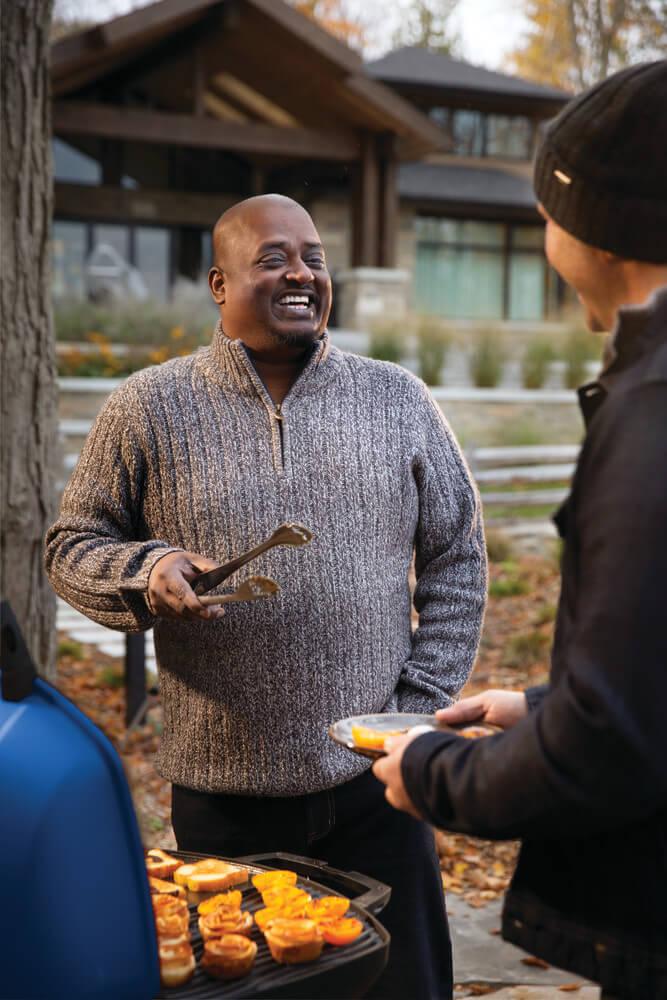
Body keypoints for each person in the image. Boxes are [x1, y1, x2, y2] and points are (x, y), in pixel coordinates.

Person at [45, 193, 487, 999]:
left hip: (379, 786)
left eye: (313, 257)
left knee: (404, 986)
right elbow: (70, 547)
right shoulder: (147, 407)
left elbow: (458, 556)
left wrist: (413, 708)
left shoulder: (397, 399)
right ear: (219, 283)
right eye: (273, 257)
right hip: (224, 801)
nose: (300, 272)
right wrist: (146, 572)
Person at [373, 62, 667, 1000]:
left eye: (544, 204)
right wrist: (543, 711)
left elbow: (608, 750)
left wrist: (436, 773)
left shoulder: (653, 413)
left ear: (593, 225)